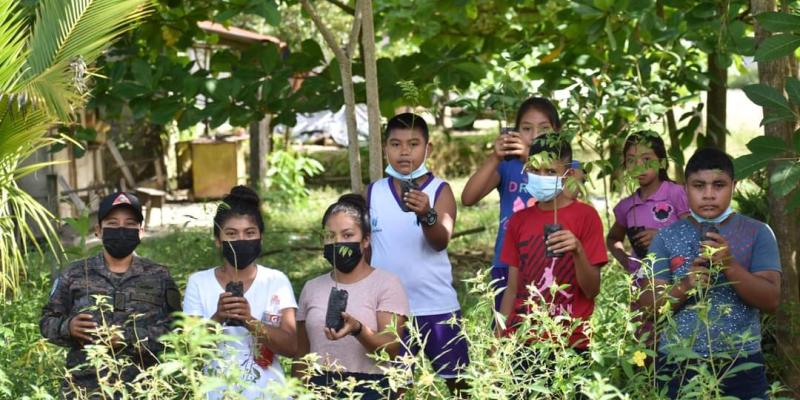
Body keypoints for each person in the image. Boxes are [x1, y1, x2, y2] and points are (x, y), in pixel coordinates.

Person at [639, 148, 781, 399]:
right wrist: (684, 285)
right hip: (678, 362)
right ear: (685, 189)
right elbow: (649, 307)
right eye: (698, 185)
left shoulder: (757, 232)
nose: (708, 194)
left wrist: (729, 265)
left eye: (718, 185)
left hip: (740, 361)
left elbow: (771, 300)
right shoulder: (665, 238)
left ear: (733, 186)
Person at [40, 192, 181, 397]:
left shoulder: (159, 276)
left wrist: (129, 338)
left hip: (143, 389)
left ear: (141, 231)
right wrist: (67, 327)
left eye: (130, 223)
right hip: (84, 389)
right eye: (112, 223)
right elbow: (46, 321)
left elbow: (177, 329)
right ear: (98, 230)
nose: (121, 229)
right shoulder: (75, 273)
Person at [367, 112, 469, 393]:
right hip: (388, 311)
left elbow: (440, 241)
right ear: (385, 148)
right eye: (395, 144)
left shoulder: (439, 190)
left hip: (436, 305)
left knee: (459, 382)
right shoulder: (373, 192)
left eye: (413, 144)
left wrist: (427, 213)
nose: (404, 151)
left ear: (428, 148)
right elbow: (366, 249)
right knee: (394, 386)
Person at [183, 186, 297, 399]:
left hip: (269, 393)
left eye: (250, 233)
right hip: (217, 393)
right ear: (218, 240)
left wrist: (249, 320)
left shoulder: (276, 280)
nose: (241, 241)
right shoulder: (199, 282)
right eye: (231, 234)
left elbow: (291, 346)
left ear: (260, 237)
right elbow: (190, 349)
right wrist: (218, 317)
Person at [498, 135, 607, 351]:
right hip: (524, 339)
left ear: (568, 174)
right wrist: (499, 338)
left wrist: (577, 250)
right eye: (536, 170)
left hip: (571, 340)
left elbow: (592, 290)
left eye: (550, 172)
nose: (541, 177)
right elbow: (512, 289)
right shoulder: (519, 221)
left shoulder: (586, 216)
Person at [293, 194, 408, 399]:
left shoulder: (387, 284)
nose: (338, 242)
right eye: (330, 236)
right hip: (320, 387)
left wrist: (358, 329)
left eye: (347, 235)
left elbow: (391, 346)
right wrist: (298, 392)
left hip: (371, 387)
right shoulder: (311, 288)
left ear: (365, 240)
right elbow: (302, 356)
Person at [462, 97, 561, 311]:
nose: (535, 136)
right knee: (506, 332)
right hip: (506, 263)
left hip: (550, 264)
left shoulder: (565, 165)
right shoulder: (508, 166)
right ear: (515, 132)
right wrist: (495, 158)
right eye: (526, 128)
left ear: (557, 132)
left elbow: (571, 192)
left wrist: (531, 158)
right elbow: (468, 198)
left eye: (544, 128)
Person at [607, 132, 689, 278]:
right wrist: (626, 261)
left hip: (678, 283)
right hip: (641, 288)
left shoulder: (676, 193)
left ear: (662, 162)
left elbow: (694, 231)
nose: (639, 166)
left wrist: (663, 238)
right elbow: (613, 238)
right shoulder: (626, 206)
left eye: (646, 159)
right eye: (631, 160)